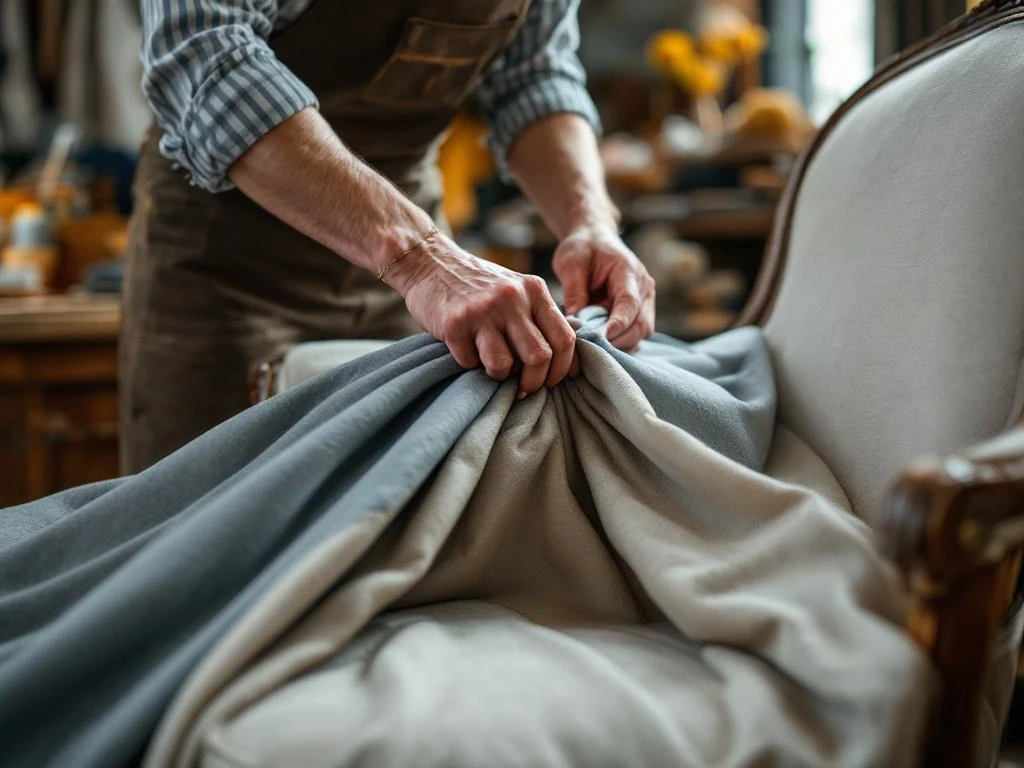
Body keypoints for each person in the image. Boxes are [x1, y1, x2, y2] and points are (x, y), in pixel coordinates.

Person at [120, 0, 656, 473]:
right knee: (213, 528)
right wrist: (423, 260)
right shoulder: (421, 263)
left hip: (412, 286)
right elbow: (204, 55)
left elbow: (534, 74)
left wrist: (589, 222)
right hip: (227, 272)